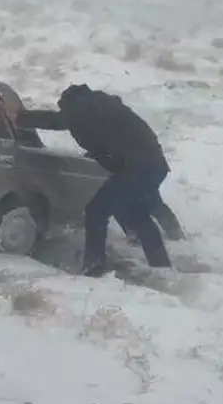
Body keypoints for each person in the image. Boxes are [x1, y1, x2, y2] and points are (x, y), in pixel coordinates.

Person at [17, 84, 173, 277]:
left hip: (137, 168)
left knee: (97, 210)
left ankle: (94, 266)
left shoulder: (88, 109)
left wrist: (21, 117)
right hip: (151, 166)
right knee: (138, 213)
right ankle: (162, 266)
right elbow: (108, 138)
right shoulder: (102, 108)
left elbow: (57, 121)